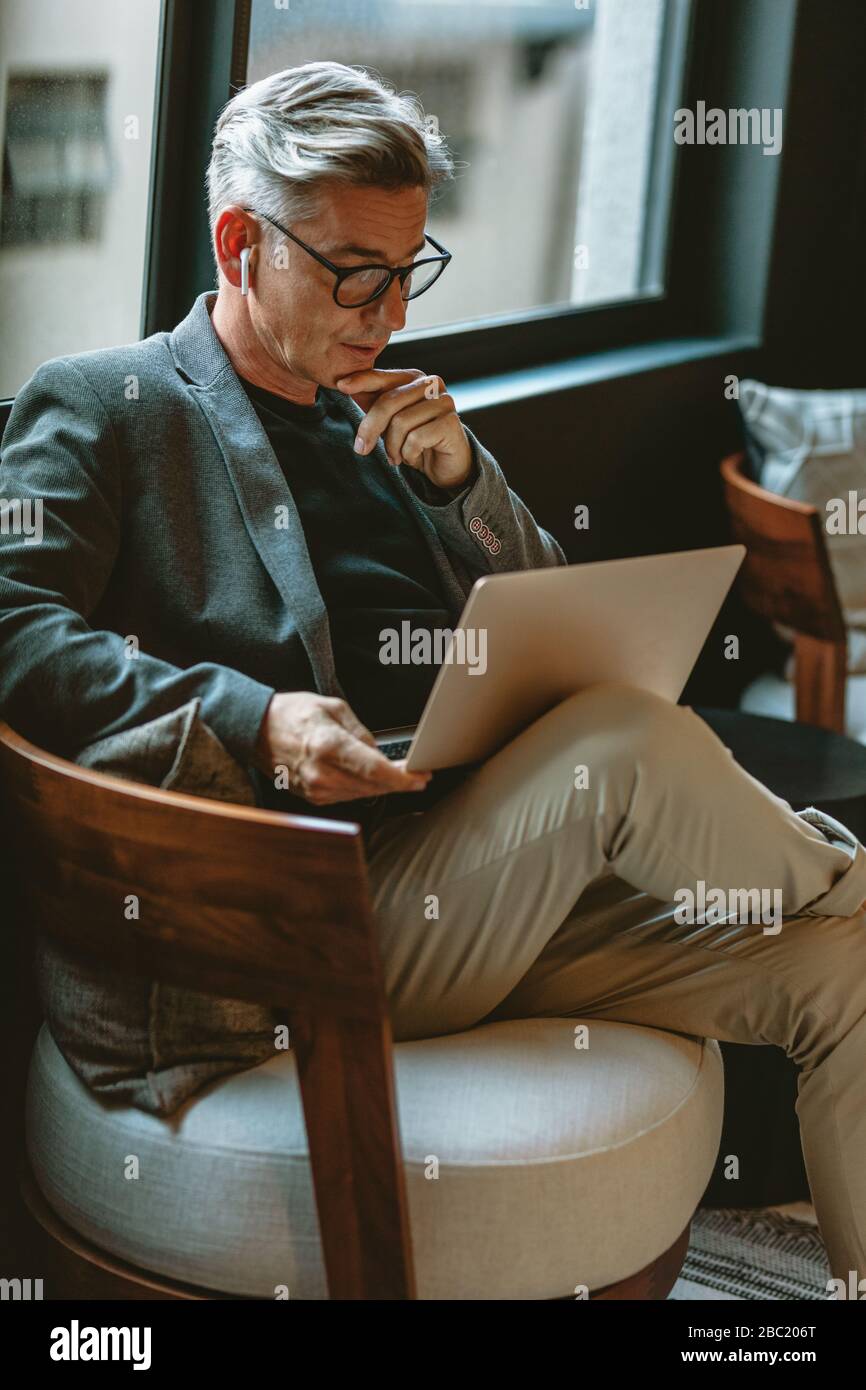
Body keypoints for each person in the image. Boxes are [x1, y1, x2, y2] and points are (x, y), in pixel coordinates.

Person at [2, 60, 866, 1287]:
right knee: (619, 748)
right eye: (354, 270)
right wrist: (259, 721)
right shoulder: (99, 409)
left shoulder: (392, 416)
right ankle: (840, 875)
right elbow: (12, 626)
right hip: (303, 909)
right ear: (239, 242)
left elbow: (554, 608)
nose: (390, 311)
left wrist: (467, 486)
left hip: (483, 871)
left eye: (409, 269)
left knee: (843, 967)